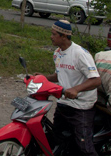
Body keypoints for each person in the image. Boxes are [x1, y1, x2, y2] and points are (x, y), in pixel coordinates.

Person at [39, 19, 101, 156]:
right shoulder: (57, 53)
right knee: (58, 140)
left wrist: (76, 89)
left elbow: (96, 80)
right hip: (63, 103)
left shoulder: (80, 54)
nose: (51, 37)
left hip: (81, 107)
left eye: (54, 34)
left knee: (85, 148)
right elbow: (60, 74)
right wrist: (44, 78)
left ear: (64, 36)